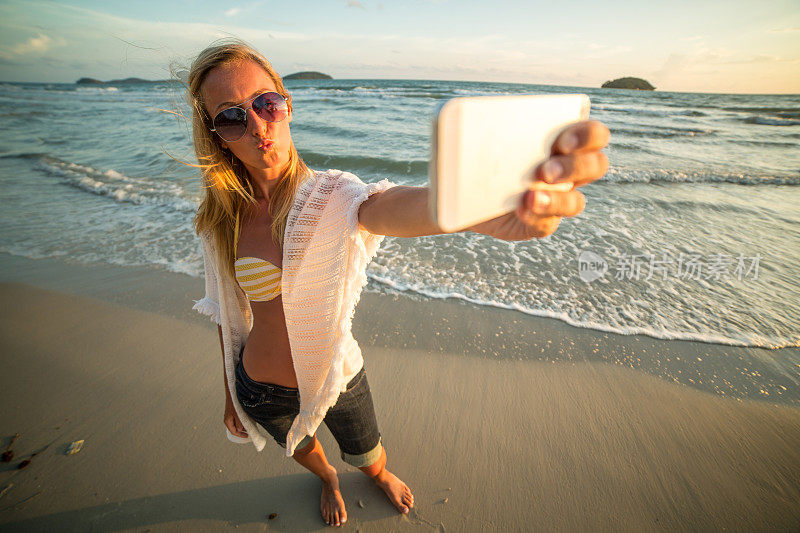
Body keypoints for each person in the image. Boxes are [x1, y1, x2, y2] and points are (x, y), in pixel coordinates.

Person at [188, 40, 609, 527]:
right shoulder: (221, 219)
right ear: (217, 134)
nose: (259, 125)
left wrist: (475, 211)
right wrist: (229, 394)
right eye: (233, 117)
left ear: (286, 103)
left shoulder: (331, 196)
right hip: (259, 388)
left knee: (368, 453)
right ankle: (326, 478)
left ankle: (376, 475)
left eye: (266, 102)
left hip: (335, 377)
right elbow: (225, 313)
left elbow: (385, 207)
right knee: (302, 449)